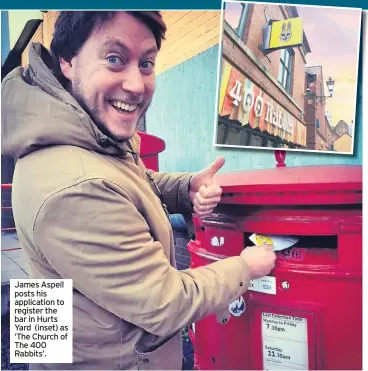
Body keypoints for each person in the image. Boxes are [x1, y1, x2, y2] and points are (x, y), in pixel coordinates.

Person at [1, 11, 276, 370]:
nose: (136, 84)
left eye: (146, 63)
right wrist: (246, 267)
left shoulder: (72, 132)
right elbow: (165, 305)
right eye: (114, 59)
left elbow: (127, 180)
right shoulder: (75, 187)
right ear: (67, 61)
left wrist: (185, 188)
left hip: (79, 333)